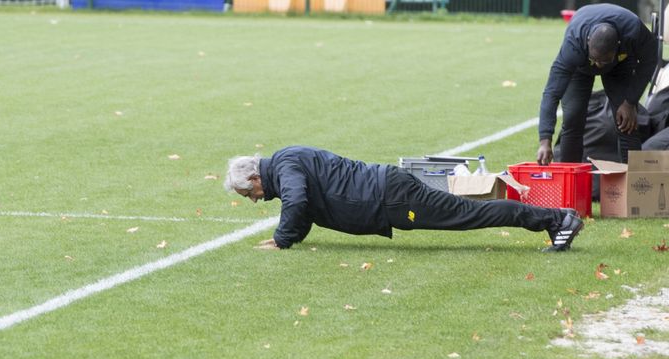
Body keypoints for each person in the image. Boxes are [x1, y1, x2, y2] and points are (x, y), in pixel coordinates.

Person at [224, 145, 584, 252]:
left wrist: (282, 241)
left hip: (390, 197)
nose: (254, 199)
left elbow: (298, 201)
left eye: (249, 193)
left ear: (256, 177)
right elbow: (304, 209)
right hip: (387, 192)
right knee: (468, 213)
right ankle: (556, 221)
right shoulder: (287, 161)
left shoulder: (286, 166)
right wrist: (287, 238)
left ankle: (557, 220)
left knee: (469, 214)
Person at [537, 3, 658, 166]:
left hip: (619, 65)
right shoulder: (573, 45)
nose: (599, 66)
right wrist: (545, 140)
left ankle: (634, 185)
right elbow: (552, 92)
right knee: (573, 118)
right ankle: (571, 181)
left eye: (603, 61)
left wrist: (630, 102)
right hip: (581, 68)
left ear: (618, 45)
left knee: (626, 122)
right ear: (587, 42)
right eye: (595, 60)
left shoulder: (634, 31)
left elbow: (650, 60)